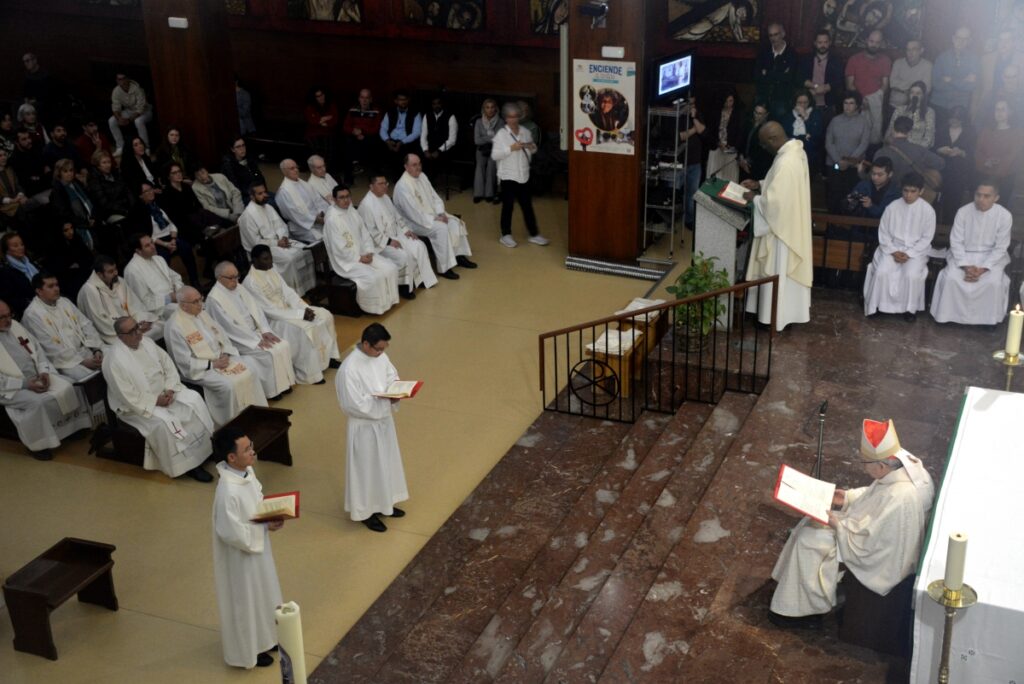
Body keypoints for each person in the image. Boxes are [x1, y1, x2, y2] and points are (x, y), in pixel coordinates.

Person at [769, 419, 934, 627]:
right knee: (810, 522)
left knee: (809, 540)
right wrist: (846, 498)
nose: (864, 468)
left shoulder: (902, 496)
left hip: (885, 558)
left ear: (882, 465)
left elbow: (874, 541)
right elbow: (876, 494)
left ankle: (806, 611)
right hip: (870, 531)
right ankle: (792, 592)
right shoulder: (900, 468)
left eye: (865, 464)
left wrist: (838, 524)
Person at [103, 315, 214, 481]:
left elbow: (168, 366)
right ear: (120, 337)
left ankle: (207, 450)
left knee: (194, 400)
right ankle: (189, 465)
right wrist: (155, 401)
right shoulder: (113, 360)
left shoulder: (147, 343)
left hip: (166, 393)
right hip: (138, 407)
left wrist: (170, 389)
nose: (138, 333)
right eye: (132, 332)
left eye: (137, 327)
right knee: (164, 424)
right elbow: (125, 394)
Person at [211, 427, 284, 669]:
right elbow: (230, 532)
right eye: (247, 449)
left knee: (265, 592)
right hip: (241, 558)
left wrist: (271, 517)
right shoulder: (227, 492)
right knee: (247, 600)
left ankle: (268, 637)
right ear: (231, 458)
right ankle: (250, 649)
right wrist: (262, 528)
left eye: (251, 446)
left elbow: (258, 499)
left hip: (259, 549)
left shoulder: (247, 472)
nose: (253, 451)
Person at [335, 323, 409, 532]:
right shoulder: (349, 369)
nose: (381, 353)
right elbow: (353, 404)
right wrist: (386, 401)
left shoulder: (381, 357)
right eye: (378, 349)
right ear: (365, 343)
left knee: (386, 462)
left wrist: (396, 391)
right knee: (367, 470)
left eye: (384, 349)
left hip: (384, 422)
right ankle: (367, 512)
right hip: (364, 427)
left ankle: (386, 503)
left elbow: (391, 376)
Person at [740, 122, 812, 331]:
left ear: (772, 139)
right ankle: (780, 315)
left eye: (764, 144)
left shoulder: (787, 161)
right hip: (788, 225)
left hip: (782, 232)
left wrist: (755, 198)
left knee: (777, 270)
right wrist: (760, 184)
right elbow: (783, 186)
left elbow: (776, 204)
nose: (763, 148)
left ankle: (774, 318)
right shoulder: (794, 151)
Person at [0, 298, 91, 461]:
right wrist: (26, 384)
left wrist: (44, 372)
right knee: (37, 402)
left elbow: (38, 350)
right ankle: (39, 445)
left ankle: (74, 428)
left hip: (36, 376)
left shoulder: (16, 327)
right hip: (11, 387)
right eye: (2, 317)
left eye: (9, 315)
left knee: (71, 385)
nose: (8, 320)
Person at [164, 287, 267, 428]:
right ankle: (233, 425)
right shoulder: (175, 326)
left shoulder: (201, 313)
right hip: (200, 368)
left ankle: (259, 415)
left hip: (220, 357)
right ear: (183, 305)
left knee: (251, 369)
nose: (200, 304)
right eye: (195, 302)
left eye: (200, 299)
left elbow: (221, 335)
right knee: (228, 385)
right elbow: (183, 361)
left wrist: (225, 352)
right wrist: (213, 364)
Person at [206, 261, 299, 399]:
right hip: (238, 339)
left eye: (237, 276)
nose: (236, 281)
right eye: (231, 278)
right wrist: (255, 340)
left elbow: (257, 310)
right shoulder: (214, 299)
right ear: (219, 278)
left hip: (256, 332)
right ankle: (272, 391)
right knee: (267, 353)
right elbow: (229, 328)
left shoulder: (239, 287)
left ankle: (284, 384)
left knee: (282, 344)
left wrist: (265, 330)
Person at [243, 245, 340, 374]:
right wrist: (300, 314)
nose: (270, 262)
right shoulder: (250, 282)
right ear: (254, 260)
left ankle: (329, 357)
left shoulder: (272, 269)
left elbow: (288, 293)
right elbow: (268, 310)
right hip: (275, 320)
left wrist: (306, 308)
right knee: (305, 329)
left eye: (270, 258)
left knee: (325, 315)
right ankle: (312, 372)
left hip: (291, 310)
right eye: (265, 259)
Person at [930, 181, 1012, 325]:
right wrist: (965, 266)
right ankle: (948, 317)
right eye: (978, 195)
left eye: (987, 196)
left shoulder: (1004, 215)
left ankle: (989, 321)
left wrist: (983, 269)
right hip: (963, 255)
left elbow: (1001, 247)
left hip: (991, 258)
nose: (981, 199)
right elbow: (956, 241)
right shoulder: (963, 211)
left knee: (992, 282)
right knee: (951, 278)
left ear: (996, 197)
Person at [863, 173, 936, 320]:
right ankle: (877, 305)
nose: (908, 195)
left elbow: (926, 238)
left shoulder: (928, 211)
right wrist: (894, 251)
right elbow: (883, 233)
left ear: (921, 191)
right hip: (891, 249)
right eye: (905, 191)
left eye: (913, 191)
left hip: (916, 251)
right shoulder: (892, 207)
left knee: (911, 275)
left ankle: (909, 310)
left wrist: (909, 253)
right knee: (882, 272)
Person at [323, 184, 402, 311]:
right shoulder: (332, 219)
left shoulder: (352, 211)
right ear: (334, 199)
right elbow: (339, 248)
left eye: (348, 196)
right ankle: (373, 308)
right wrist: (359, 258)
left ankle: (389, 302)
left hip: (364, 253)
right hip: (347, 261)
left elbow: (365, 233)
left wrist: (369, 252)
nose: (346, 200)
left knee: (390, 268)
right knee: (373, 277)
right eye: (341, 197)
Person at [394, 153, 479, 269]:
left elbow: (435, 197)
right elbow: (413, 213)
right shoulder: (402, 186)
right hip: (414, 223)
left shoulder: (422, 176)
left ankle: (459, 256)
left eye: (419, 164)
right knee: (441, 228)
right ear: (406, 167)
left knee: (454, 222)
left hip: (431, 215)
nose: (418, 167)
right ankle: (444, 267)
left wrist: (441, 213)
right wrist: (435, 218)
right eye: (414, 165)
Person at [358, 174, 438, 296]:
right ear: (371, 186)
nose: (384, 186)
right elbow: (370, 231)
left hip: (396, 234)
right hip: (380, 244)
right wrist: (389, 241)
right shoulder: (366, 205)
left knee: (419, 245)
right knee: (403, 255)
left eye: (385, 183)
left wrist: (406, 230)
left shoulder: (385, 198)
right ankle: (404, 287)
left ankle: (422, 278)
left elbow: (397, 216)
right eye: (380, 184)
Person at [23, 272, 103, 381]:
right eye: (51, 286)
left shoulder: (64, 302)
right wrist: (82, 361)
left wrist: (96, 349)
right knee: (89, 378)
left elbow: (85, 324)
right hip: (65, 362)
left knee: (113, 358)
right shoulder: (32, 314)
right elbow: (49, 347)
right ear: (39, 291)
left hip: (87, 350)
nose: (56, 289)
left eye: (57, 285)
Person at [238, 182, 315, 295]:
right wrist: (277, 242)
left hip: (280, 242)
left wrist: (283, 237)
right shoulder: (247, 216)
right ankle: (295, 292)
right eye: (260, 193)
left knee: (306, 250)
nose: (265, 195)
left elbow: (281, 225)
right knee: (290, 259)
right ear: (252, 196)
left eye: (265, 192)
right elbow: (255, 243)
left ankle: (309, 286)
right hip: (263, 251)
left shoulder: (268, 207)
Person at [491, 103, 551, 249]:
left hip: (523, 174)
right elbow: (495, 155)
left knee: (527, 206)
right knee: (508, 206)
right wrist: (510, 148)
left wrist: (531, 147)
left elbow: (533, 149)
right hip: (508, 175)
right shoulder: (501, 134)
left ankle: (534, 234)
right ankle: (506, 235)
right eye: (511, 117)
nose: (514, 120)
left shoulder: (525, 131)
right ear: (506, 118)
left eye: (516, 116)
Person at [77, 254, 163, 344]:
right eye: (110, 271)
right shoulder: (90, 291)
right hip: (115, 334)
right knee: (142, 340)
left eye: (115, 269)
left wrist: (143, 322)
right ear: (99, 274)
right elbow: (101, 323)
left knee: (160, 326)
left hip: (134, 325)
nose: (116, 273)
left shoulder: (119, 281)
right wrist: (133, 328)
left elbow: (136, 307)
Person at [129, 182, 200, 286]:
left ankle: (195, 281)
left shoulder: (160, 202)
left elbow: (172, 222)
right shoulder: (137, 211)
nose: (150, 192)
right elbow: (145, 234)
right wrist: (165, 244)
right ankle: (169, 286)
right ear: (140, 195)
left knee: (186, 248)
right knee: (162, 258)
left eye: (151, 189)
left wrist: (173, 239)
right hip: (154, 241)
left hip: (171, 237)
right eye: (146, 191)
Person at [825, 93, 872, 211]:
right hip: (835, 165)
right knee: (833, 198)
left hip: (853, 167)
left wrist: (848, 161)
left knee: (851, 198)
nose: (848, 106)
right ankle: (832, 226)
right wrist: (838, 161)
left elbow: (864, 144)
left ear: (857, 106)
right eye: (845, 103)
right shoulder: (835, 121)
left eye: (851, 103)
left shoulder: (863, 122)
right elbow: (829, 143)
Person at [844, 30, 891, 145]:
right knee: (855, 138)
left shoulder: (885, 60)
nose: (874, 45)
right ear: (866, 41)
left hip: (876, 103)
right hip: (857, 104)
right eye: (871, 41)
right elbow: (849, 85)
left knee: (874, 139)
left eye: (877, 42)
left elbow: (885, 85)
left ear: (881, 44)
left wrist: (872, 100)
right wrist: (861, 100)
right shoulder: (854, 59)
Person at [123, 233, 184, 322]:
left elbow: (176, 278)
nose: (153, 246)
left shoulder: (158, 259)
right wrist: (169, 298)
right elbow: (143, 302)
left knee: (198, 303)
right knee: (188, 311)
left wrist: (178, 292)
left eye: (152, 242)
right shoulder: (132, 270)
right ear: (138, 250)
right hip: (159, 310)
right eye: (147, 245)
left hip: (177, 297)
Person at [874, 116, 945, 188]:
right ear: (909, 132)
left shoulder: (881, 152)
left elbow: (874, 177)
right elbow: (941, 163)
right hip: (911, 194)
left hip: (887, 194)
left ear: (893, 129)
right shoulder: (919, 150)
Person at [934, 106, 977, 223]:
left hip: (959, 174)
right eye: (951, 118)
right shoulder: (941, 129)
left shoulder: (970, 132)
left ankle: (949, 228)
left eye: (957, 119)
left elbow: (973, 154)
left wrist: (961, 152)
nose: (953, 121)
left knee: (953, 202)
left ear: (962, 120)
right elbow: (932, 148)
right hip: (941, 171)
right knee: (936, 201)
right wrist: (940, 150)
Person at [931, 27, 981, 123]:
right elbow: (936, 83)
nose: (961, 42)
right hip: (939, 104)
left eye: (965, 39)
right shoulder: (942, 58)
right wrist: (963, 81)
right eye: (958, 38)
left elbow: (971, 86)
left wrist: (950, 80)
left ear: (969, 41)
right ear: (953, 38)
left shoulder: (974, 60)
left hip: (960, 107)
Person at [974, 99, 1022, 198]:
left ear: (1010, 112)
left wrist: (996, 167)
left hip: (1004, 178)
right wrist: (985, 162)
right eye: (997, 109)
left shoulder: (1018, 133)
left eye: (1003, 110)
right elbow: (978, 151)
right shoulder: (986, 130)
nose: (999, 113)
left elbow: (1012, 155)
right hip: (983, 175)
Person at [275, 158, 329, 243]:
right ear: (284, 172)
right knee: (323, 240)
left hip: (319, 219)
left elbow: (318, 200)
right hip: (301, 226)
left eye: (296, 167)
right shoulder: (284, 192)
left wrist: (323, 213)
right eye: (292, 168)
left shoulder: (304, 184)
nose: (296, 170)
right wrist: (315, 219)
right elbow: (294, 214)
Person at [754, 23, 799, 120]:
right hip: (763, 97)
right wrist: (780, 74)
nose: (773, 38)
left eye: (776, 34)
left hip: (782, 100)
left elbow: (789, 78)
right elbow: (757, 76)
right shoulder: (764, 52)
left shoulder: (791, 54)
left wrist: (767, 73)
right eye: (770, 35)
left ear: (783, 34)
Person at [50, 158, 96, 251]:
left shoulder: (76, 183)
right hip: (76, 225)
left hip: (91, 219)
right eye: (65, 171)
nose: (69, 173)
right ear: (59, 173)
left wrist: (93, 216)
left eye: (71, 170)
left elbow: (91, 200)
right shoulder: (58, 191)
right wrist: (86, 223)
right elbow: (65, 214)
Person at [801, 31, 846, 123]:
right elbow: (799, 78)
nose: (823, 45)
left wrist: (825, 88)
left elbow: (839, 80)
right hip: (808, 103)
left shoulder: (836, 60)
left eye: (825, 42)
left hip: (829, 104)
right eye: (820, 42)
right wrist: (816, 87)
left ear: (829, 42)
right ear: (815, 43)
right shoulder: (806, 59)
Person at [341, 88, 382, 184]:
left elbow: (377, 128)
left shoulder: (376, 111)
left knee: (373, 144)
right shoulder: (352, 110)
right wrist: (354, 131)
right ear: (359, 98)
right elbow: (346, 126)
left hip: (369, 136)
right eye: (362, 97)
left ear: (371, 99)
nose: (364, 100)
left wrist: (362, 132)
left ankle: (373, 178)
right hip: (354, 136)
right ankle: (349, 179)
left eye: (367, 98)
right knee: (347, 144)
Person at [379, 91, 422, 180]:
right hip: (391, 140)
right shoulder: (390, 112)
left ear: (408, 100)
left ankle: (400, 178)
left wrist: (402, 142)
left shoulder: (415, 113)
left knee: (403, 154)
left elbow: (416, 132)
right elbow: (383, 128)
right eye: (400, 100)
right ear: (396, 101)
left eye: (405, 99)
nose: (403, 102)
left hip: (406, 141)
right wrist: (387, 141)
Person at [108, 73, 153, 156]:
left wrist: (129, 120)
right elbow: (115, 107)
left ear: (127, 79)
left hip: (145, 111)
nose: (121, 81)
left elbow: (141, 108)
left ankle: (146, 148)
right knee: (112, 121)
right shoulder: (116, 91)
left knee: (138, 121)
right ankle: (120, 147)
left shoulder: (137, 88)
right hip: (129, 111)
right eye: (119, 79)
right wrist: (119, 118)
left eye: (123, 79)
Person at [0, 231, 42, 317]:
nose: (21, 247)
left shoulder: (31, 263)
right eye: (15, 246)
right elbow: (12, 299)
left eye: (22, 244)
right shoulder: (5, 272)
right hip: (30, 311)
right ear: (7, 250)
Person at [705, 91, 744, 183]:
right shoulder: (716, 112)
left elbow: (741, 132)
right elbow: (710, 131)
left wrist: (733, 145)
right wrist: (718, 143)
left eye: (730, 101)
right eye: (726, 101)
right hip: (716, 148)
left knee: (729, 179)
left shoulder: (738, 113)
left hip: (731, 150)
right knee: (714, 177)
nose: (728, 104)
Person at [781, 91, 825, 173]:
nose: (802, 105)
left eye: (805, 102)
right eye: (799, 102)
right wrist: (804, 137)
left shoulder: (816, 114)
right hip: (791, 152)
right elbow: (785, 134)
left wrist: (805, 116)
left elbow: (817, 134)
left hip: (809, 153)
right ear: (795, 102)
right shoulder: (788, 116)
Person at [884, 81, 935, 148]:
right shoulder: (900, 110)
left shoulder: (929, 112)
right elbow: (890, 131)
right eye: (912, 92)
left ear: (923, 95)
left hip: (917, 149)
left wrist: (913, 149)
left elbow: (929, 138)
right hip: (898, 148)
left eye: (918, 93)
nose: (914, 95)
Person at [419, 95, 458, 179]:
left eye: (438, 103)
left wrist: (439, 151)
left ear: (442, 104)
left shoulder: (450, 116)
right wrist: (425, 150)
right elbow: (423, 135)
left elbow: (452, 140)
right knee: (420, 158)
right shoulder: (427, 115)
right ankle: (424, 184)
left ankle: (430, 183)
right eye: (434, 104)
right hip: (430, 147)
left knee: (436, 160)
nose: (436, 106)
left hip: (445, 148)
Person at [889, 39, 932, 111]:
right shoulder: (898, 63)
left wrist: (902, 87)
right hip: (895, 105)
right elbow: (892, 83)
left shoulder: (928, 66)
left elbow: (926, 89)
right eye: (908, 49)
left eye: (914, 49)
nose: (910, 53)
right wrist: (914, 87)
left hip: (916, 107)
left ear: (921, 51)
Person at [473, 99, 501, 203]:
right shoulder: (478, 122)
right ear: (483, 109)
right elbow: (476, 140)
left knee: (491, 168)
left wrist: (484, 137)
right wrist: (490, 138)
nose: (490, 110)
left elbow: (499, 140)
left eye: (492, 107)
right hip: (481, 149)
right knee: (479, 168)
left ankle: (489, 194)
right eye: (487, 107)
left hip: (495, 150)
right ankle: (478, 194)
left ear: (496, 109)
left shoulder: (500, 122)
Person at [304, 86, 339, 168]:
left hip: (327, 130)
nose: (321, 97)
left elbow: (334, 119)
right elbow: (311, 120)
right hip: (313, 131)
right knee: (315, 147)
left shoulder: (331, 105)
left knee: (328, 147)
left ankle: (326, 167)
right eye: (318, 96)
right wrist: (325, 118)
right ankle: (317, 166)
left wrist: (320, 120)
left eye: (322, 95)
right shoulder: (310, 107)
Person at [738, 102, 773, 181]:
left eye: (760, 114)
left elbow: (763, 152)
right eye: (755, 112)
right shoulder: (749, 123)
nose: (756, 115)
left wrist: (748, 162)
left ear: (766, 114)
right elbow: (742, 141)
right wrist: (741, 157)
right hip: (743, 163)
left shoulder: (768, 129)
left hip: (757, 167)